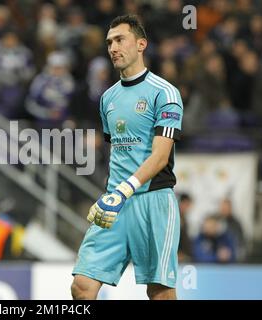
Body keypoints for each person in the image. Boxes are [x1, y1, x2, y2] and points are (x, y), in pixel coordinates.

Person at [71, 15, 183, 300]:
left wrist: (124, 190)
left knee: (159, 293)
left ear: (141, 44)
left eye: (120, 40)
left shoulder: (165, 93)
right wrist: (114, 193)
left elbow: (160, 157)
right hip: (115, 205)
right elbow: (118, 152)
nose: (113, 48)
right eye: (109, 42)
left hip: (153, 201)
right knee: (82, 287)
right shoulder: (108, 98)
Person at [178, 193, 193, 262]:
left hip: (184, 255)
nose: (187, 208)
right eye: (186, 204)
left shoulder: (185, 220)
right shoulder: (173, 218)